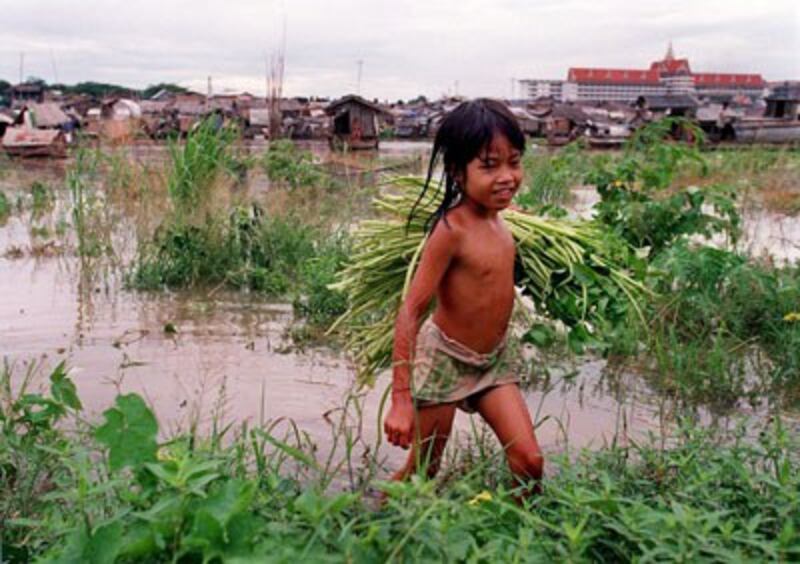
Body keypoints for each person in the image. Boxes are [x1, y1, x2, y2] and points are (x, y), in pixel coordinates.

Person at [383, 98, 544, 496]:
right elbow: (411, 310)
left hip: (492, 361)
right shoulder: (451, 230)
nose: (507, 176)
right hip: (446, 362)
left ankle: (523, 539)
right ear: (457, 172)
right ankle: (376, 527)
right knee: (424, 471)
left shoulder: (503, 220)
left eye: (514, 162)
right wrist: (401, 399)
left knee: (530, 461)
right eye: (489, 166)